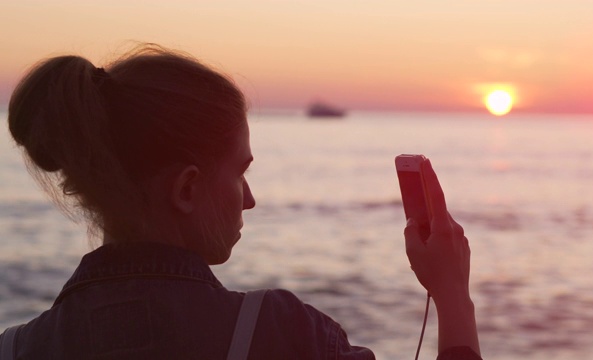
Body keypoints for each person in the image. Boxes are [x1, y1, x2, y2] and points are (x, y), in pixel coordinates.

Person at [0, 44, 481, 359]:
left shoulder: (18, 348)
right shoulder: (282, 334)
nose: (249, 200)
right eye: (240, 173)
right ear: (186, 190)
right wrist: (453, 297)